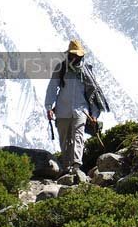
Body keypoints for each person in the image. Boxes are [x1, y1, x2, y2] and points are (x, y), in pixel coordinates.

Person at [44, 39, 109, 177]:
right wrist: (49, 107)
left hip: (81, 110)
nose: (76, 58)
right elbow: (52, 88)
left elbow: (92, 93)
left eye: (78, 56)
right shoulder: (61, 68)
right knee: (65, 139)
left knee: (78, 136)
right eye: (74, 55)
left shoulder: (86, 72)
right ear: (69, 55)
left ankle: (76, 165)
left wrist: (95, 115)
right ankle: (66, 166)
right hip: (62, 110)